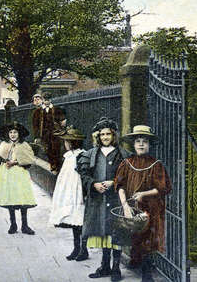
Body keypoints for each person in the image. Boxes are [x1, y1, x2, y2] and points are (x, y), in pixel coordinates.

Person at [76, 117, 131, 281]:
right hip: (98, 200)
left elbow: (128, 176)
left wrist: (113, 182)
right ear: (98, 137)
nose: (105, 137)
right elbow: (84, 175)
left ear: (113, 135)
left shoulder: (122, 154)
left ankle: (116, 269)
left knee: (116, 233)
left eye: (108, 134)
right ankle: (104, 265)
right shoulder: (91, 154)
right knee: (102, 233)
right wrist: (93, 184)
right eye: (102, 135)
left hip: (115, 200)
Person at [114, 125, 171, 281]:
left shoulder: (156, 164)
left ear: (149, 144)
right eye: (138, 141)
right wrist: (125, 205)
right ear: (133, 144)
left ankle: (146, 274)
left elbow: (163, 188)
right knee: (127, 235)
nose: (141, 144)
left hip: (150, 207)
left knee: (148, 238)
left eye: (144, 141)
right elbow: (119, 186)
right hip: (130, 207)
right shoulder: (126, 163)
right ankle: (119, 268)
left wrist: (144, 194)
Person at [0, 121, 50, 235]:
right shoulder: (4, 144)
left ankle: (25, 225)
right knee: (10, 197)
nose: (13, 135)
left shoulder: (24, 145)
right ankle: (13, 224)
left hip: (19, 173)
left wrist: (16, 162)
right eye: (11, 132)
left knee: (22, 197)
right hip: (6, 173)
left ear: (19, 134)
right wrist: (3, 161)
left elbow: (29, 159)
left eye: (15, 132)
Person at [49, 127, 89, 261]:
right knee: (74, 221)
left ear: (72, 143)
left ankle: (83, 250)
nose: (64, 144)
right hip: (69, 192)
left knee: (79, 221)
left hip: (77, 192)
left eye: (66, 141)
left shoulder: (81, 155)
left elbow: (83, 175)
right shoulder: (69, 156)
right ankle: (77, 248)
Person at [32, 92, 66, 173]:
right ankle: (52, 164)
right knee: (47, 150)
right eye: (45, 100)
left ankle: (56, 165)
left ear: (51, 100)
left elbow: (62, 120)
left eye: (48, 100)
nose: (47, 102)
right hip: (44, 134)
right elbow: (35, 125)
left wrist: (62, 124)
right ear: (43, 100)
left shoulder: (56, 109)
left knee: (56, 149)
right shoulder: (37, 111)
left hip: (55, 133)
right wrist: (36, 137)